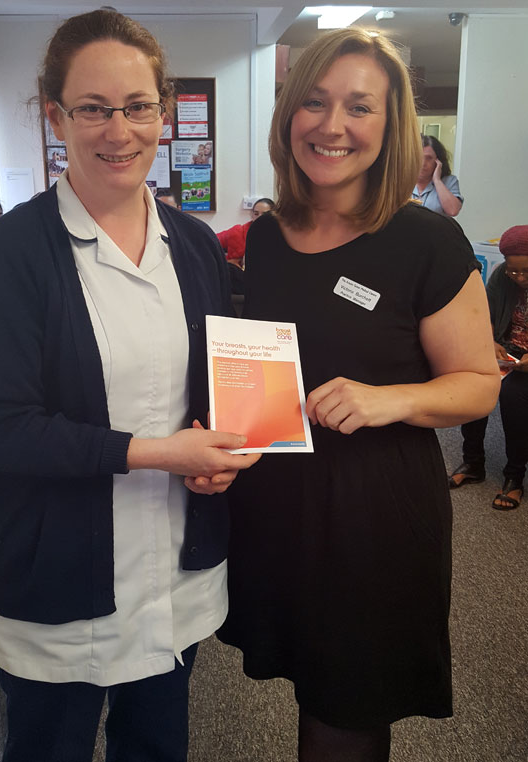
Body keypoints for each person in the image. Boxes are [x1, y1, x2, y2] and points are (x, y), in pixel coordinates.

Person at [0, 10, 259, 762]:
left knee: (157, 748)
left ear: (162, 108)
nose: (117, 130)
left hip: (172, 569)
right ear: (55, 114)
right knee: (48, 748)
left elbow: (212, 383)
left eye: (137, 106)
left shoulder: (191, 244)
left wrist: (221, 448)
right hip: (58, 574)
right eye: (92, 108)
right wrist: (163, 453)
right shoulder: (8, 257)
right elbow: (4, 430)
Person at [216, 28, 500, 762]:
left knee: (348, 708)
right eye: (314, 101)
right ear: (289, 117)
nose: (332, 125)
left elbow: (478, 384)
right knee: (307, 677)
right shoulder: (267, 237)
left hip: (375, 519)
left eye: (359, 106)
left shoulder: (428, 242)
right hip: (282, 508)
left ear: (391, 123)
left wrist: (391, 399)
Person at [449, 225, 528, 510]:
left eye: (526, 271)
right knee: (473, 382)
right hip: (508, 353)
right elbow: (484, 317)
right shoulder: (500, 277)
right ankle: (473, 463)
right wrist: (490, 342)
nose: (519, 278)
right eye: (513, 271)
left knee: (513, 397)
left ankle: (514, 477)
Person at [412, 134, 463, 217]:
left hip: (438, 230)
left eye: (428, 158)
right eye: (419, 157)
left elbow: (453, 210)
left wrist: (437, 180)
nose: (423, 163)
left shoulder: (449, 181)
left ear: (438, 161)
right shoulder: (402, 183)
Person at [216, 197, 275, 267]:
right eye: (256, 214)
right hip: (237, 275)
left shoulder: (280, 236)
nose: (259, 218)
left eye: (265, 214)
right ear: (252, 215)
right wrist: (231, 263)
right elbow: (209, 241)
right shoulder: (238, 232)